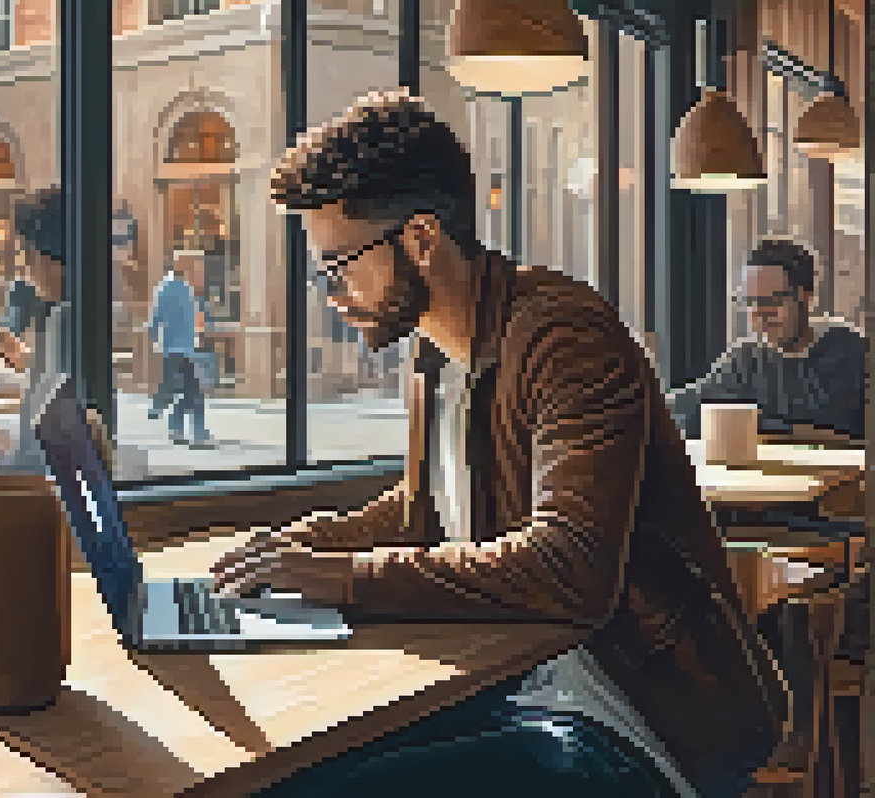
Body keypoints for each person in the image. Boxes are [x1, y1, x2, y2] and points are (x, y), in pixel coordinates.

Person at [212, 91, 787, 798]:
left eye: (338, 265)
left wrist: (342, 577)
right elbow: (421, 509)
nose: (330, 292)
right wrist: (294, 549)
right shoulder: (436, 352)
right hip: (528, 690)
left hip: (634, 725)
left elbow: (571, 567)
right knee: (281, 769)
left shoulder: (562, 336)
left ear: (421, 238)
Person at [666, 238, 866, 441]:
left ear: (807, 297)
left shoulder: (853, 354)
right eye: (749, 301)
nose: (758, 314)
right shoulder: (745, 360)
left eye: (772, 300)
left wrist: (758, 425)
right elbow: (684, 410)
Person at [0, 186, 72, 475]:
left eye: (29, 251)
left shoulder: (65, 321)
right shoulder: (66, 316)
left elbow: (41, 445)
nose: (27, 264)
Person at [147, 253, 212, 446]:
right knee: (194, 392)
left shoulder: (178, 287)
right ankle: (198, 433)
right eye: (197, 266)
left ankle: (176, 428)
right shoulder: (174, 287)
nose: (200, 271)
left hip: (182, 348)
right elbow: (157, 319)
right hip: (179, 348)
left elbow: (157, 319)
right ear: (186, 266)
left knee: (187, 391)